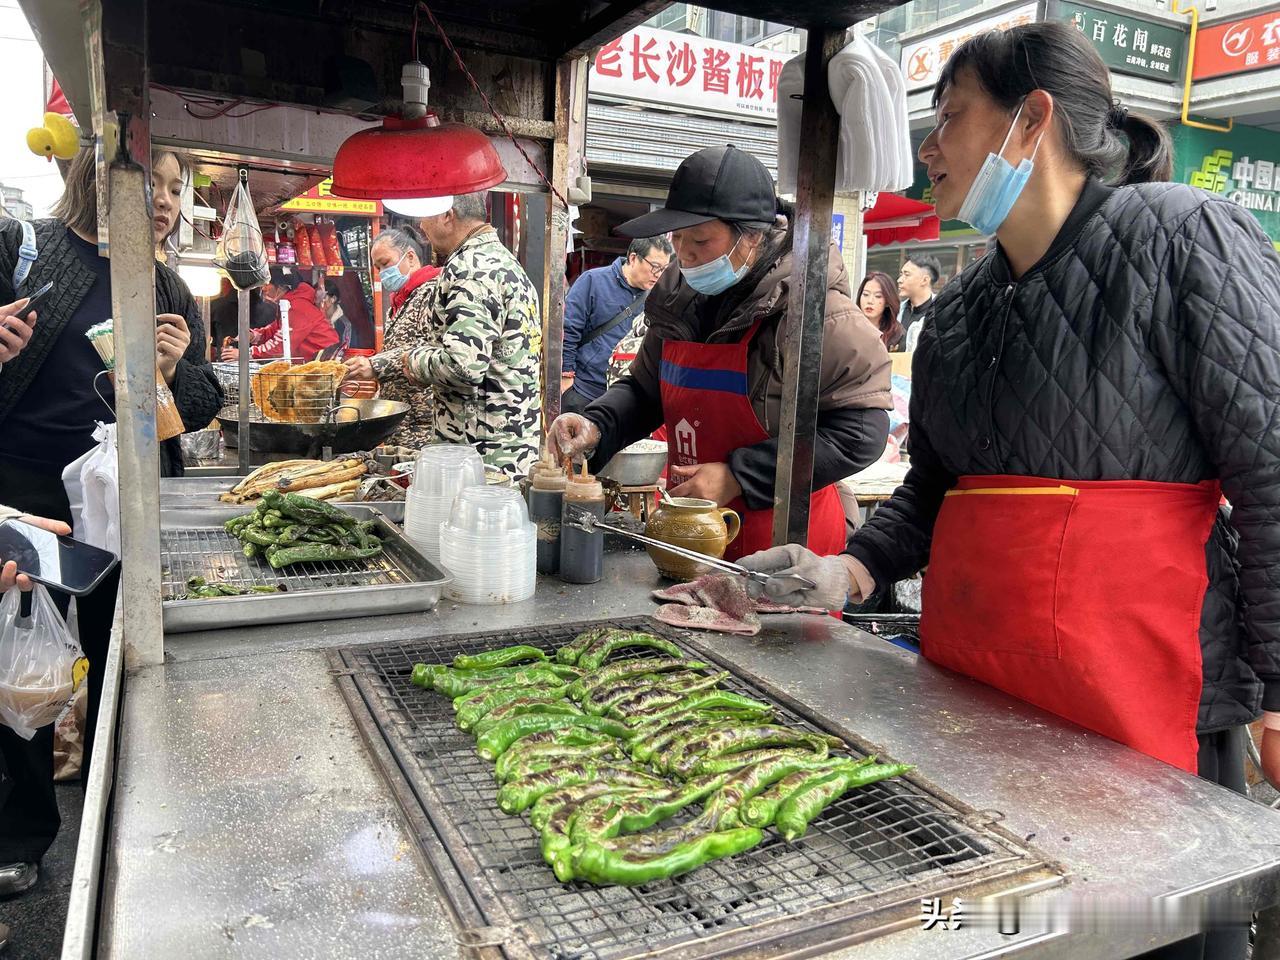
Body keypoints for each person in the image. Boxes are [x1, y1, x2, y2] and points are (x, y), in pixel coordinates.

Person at [742, 23, 1280, 959]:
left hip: (1145, 694)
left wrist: (1279, 689)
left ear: (1032, 122)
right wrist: (851, 571)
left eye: (950, 118)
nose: (928, 149)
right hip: (985, 697)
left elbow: (1271, 465)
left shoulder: (1183, 237)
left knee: (1157, 928)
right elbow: (939, 491)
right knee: (1010, 927)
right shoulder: (957, 311)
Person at [0, 147, 223, 900]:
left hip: (120, 495)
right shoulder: (18, 248)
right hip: (23, 491)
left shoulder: (164, 282)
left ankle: (118, 815)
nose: (163, 201)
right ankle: (23, 830)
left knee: (121, 658)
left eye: (173, 188)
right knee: (16, 665)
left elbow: (198, 405)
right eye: (148, 182)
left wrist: (173, 371)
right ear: (92, 174)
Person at [548, 144, 891, 560]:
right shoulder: (678, 298)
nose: (685, 253)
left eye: (700, 239)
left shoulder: (818, 315)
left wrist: (741, 476)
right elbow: (644, 390)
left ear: (752, 236)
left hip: (784, 547)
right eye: (677, 237)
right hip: (691, 534)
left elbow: (860, 433)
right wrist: (596, 425)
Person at [355, 193, 542, 475]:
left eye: (425, 216)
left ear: (447, 215)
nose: (421, 226)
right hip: (505, 447)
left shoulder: (470, 269)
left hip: (479, 453)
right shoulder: (505, 263)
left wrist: (412, 360)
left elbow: (464, 365)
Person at [341, 226, 440, 448]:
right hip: (400, 421)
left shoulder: (434, 292)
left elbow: (427, 346)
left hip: (423, 423)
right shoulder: (398, 302)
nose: (382, 272)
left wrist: (375, 365)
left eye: (385, 264)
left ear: (411, 257)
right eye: (377, 267)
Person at [561, 237, 674, 416]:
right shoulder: (593, 281)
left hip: (626, 397)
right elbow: (567, 331)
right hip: (584, 390)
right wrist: (566, 380)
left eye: (664, 269)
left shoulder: (657, 297)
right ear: (633, 258)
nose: (659, 274)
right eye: (654, 266)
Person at [220, 267, 337, 362]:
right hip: (313, 362)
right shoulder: (290, 302)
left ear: (281, 287)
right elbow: (277, 329)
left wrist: (246, 354)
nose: (263, 288)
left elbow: (281, 345)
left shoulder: (298, 307)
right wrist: (253, 335)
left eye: (267, 284)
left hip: (325, 361)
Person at [897, 254, 939, 351]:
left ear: (925, 280)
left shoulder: (941, 313)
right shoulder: (896, 311)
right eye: (901, 274)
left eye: (907, 275)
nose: (899, 280)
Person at [856, 272, 904, 351]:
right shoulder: (850, 327)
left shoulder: (897, 334)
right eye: (865, 294)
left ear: (888, 301)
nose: (870, 301)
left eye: (878, 296)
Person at [322, 281, 352, 347]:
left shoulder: (345, 325)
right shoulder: (315, 320)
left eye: (323, 297)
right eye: (316, 297)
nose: (318, 300)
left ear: (333, 299)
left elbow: (344, 352)